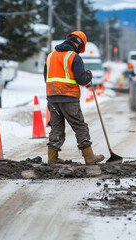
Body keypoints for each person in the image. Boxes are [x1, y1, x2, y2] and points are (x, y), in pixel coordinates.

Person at [43, 31, 104, 165]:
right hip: (69, 98)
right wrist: (88, 76)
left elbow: (45, 78)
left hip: (52, 98)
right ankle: (89, 157)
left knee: (56, 127)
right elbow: (81, 79)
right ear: (79, 44)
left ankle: (52, 159)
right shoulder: (73, 57)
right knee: (79, 126)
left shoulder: (50, 56)